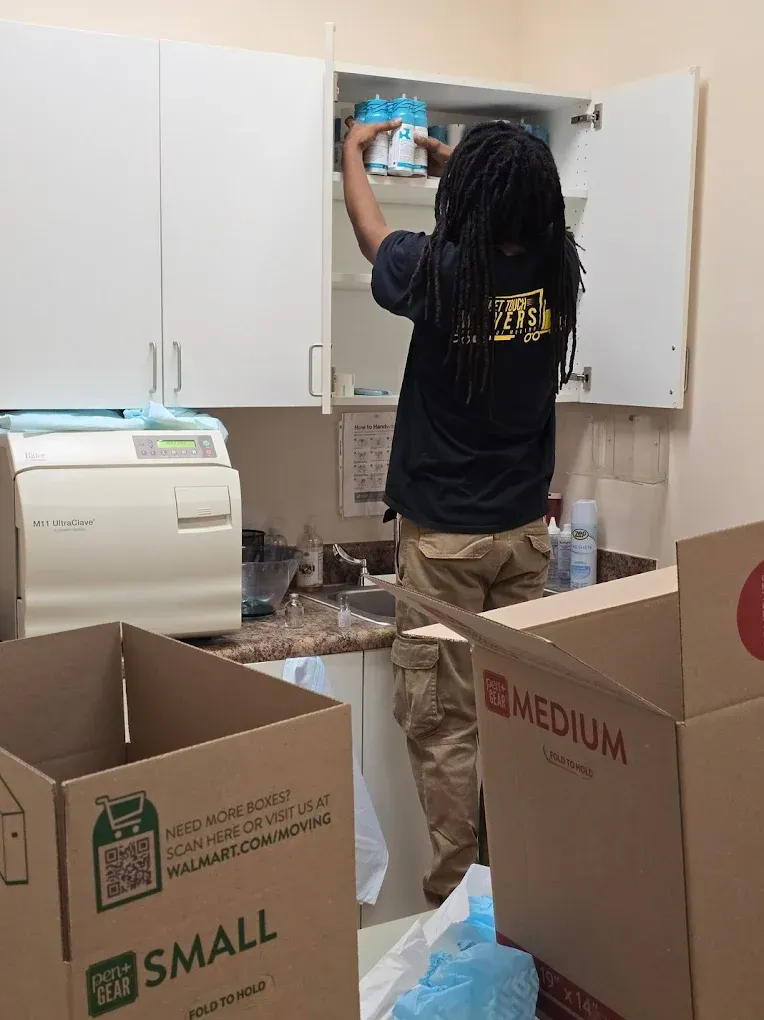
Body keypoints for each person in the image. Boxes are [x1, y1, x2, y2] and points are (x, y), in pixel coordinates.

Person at [342, 117, 583, 906]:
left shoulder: (440, 271)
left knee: (446, 725)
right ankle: (518, 896)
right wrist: (458, 164)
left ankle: (458, 905)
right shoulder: (555, 266)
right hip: (524, 539)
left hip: (446, 544)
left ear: (471, 200)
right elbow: (512, 207)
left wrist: (352, 153)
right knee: (516, 720)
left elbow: (371, 233)